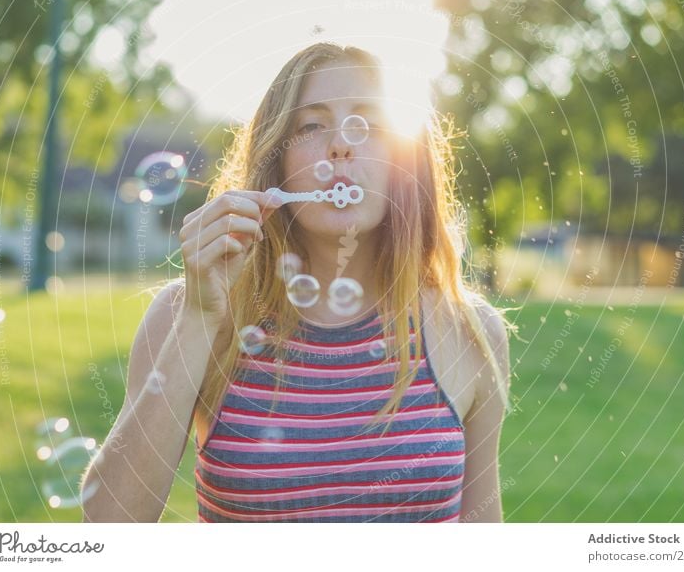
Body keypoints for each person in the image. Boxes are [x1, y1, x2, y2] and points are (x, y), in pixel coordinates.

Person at [81, 41, 512, 523]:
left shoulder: (470, 332)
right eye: (311, 124)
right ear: (276, 163)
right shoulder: (190, 315)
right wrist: (199, 318)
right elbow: (107, 527)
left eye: (368, 123)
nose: (341, 144)